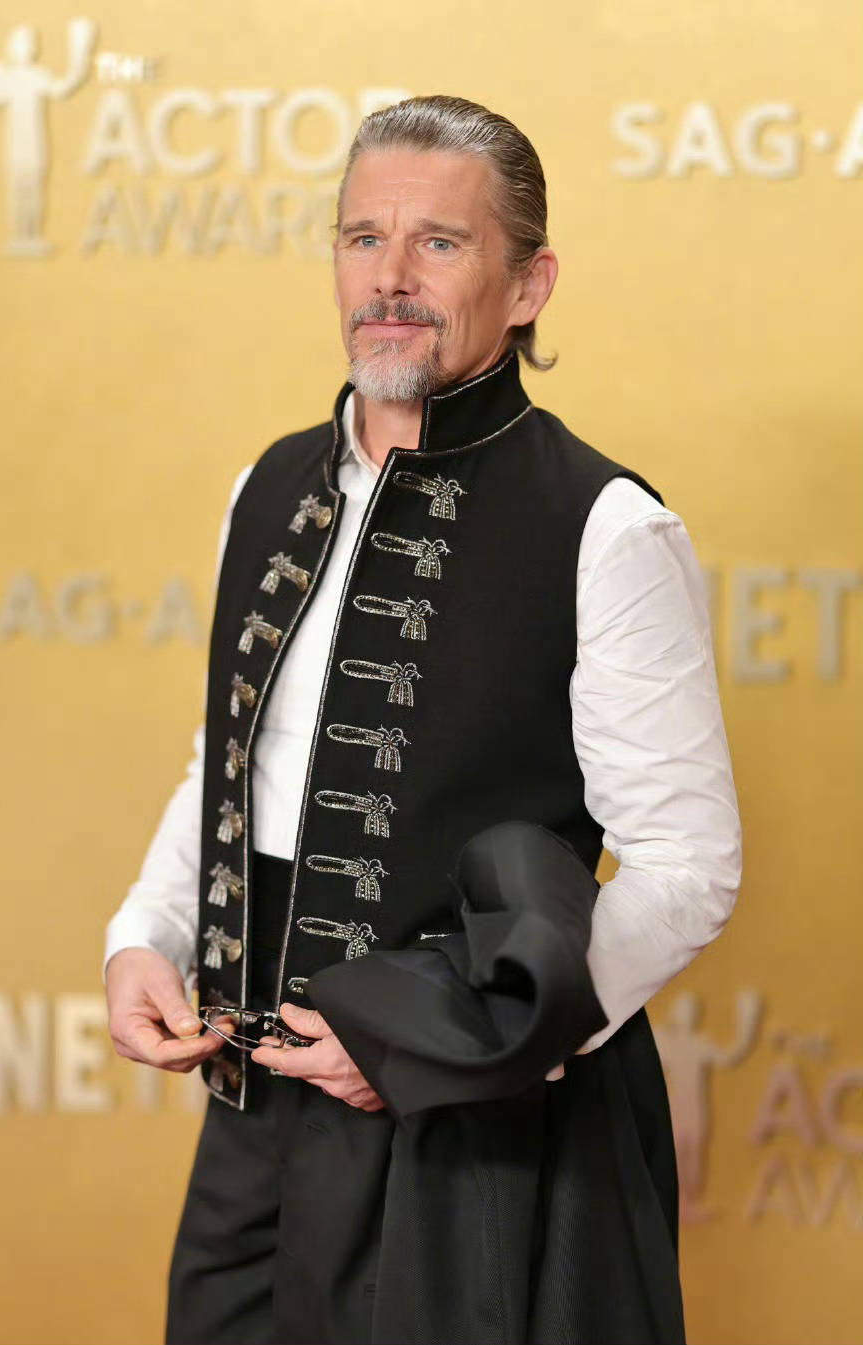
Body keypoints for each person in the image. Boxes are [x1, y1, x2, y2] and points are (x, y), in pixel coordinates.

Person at [103, 94, 742, 1345]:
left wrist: (453, 1042)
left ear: (529, 285)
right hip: (252, 1122)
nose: (388, 278)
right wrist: (149, 932)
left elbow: (688, 864)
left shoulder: (607, 526)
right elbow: (235, 766)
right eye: (363, 238)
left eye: (439, 243)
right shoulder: (267, 485)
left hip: (476, 1148)